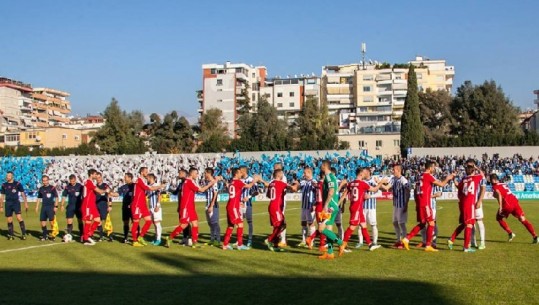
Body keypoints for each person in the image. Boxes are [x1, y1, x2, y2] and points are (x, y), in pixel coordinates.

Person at [402, 161, 454, 252]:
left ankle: (406, 239)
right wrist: (448, 178)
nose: (434, 169)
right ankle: (428, 245)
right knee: (431, 223)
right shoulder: (429, 176)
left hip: (419, 203)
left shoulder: (419, 176)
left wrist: (416, 202)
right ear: (430, 168)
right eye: (433, 167)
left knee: (422, 224)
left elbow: (415, 191)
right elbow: (441, 184)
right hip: (426, 204)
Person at [165, 167, 217, 248]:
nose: (197, 175)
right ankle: (170, 238)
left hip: (190, 207)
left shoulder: (188, 181)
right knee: (184, 225)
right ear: (191, 173)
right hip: (186, 207)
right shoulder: (188, 182)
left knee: (195, 223)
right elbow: (201, 190)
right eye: (196, 173)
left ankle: (194, 243)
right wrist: (211, 183)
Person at [340, 168, 386, 253]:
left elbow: (345, 194)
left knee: (364, 226)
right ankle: (343, 245)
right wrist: (381, 182)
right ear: (361, 174)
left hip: (356, 207)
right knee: (352, 227)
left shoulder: (351, 183)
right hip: (357, 208)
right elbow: (375, 189)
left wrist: (339, 203)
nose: (365, 175)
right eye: (364, 174)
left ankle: (370, 245)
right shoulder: (362, 184)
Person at [491, 173, 538, 244]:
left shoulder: (494, 186)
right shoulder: (503, 184)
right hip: (514, 202)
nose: (490, 182)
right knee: (522, 219)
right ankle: (535, 237)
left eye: (490, 180)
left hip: (507, 205)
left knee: (499, 218)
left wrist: (500, 206)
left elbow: (499, 195)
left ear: (494, 180)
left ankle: (510, 233)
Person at [448, 164, 483, 253]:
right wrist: (477, 167)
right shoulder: (475, 178)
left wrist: (453, 178)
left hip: (463, 204)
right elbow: (483, 175)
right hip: (470, 204)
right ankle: (466, 247)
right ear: (473, 171)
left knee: (464, 224)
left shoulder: (464, 179)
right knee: (470, 224)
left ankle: (451, 239)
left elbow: (457, 185)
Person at [222, 168, 259, 250]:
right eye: (239, 173)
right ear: (236, 174)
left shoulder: (231, 182)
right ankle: (239, 244)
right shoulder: (238, 182)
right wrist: (254, 181)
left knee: (231, 225)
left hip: (230, 205)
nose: (241, 174)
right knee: (240, 224)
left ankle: (225, 244)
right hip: (234, 207)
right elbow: (249, 186)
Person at [317, 160, 345, 260]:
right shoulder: (333, 177)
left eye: (321, 165)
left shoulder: (328, 177)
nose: (320, 167)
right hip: (334, 206)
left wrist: (326, 204)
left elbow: (331, 191)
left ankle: (341, 243)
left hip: (330, 207)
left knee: (321, 228)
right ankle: (330, 252)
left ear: (325, 166)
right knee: (328, 229)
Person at [131, 167, 163, 247]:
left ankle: (140, 237)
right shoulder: (139, 180)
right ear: (141, 172)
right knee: (136, 223)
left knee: (149, 221)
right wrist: (160, 186)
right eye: (146, 171)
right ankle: (134, 241)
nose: (147, 173)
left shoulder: (143, 181)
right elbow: (150, 188)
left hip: (143, 205)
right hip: (137, 204)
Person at [383, 164, 410, 249]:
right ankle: (398, 240)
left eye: (394, 170)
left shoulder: (403, 180)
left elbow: (408, 191)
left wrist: (406, 204)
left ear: (398, 170)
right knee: (395, 223)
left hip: (402, 205)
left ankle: (403, 241)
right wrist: (379, 183)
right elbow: (387, 187)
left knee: (401, 224)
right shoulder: (393, 179)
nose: (392, 171)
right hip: (395, 205)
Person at [264, 169, 292, 252]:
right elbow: (293, 188)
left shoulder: (271, 184)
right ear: (279, 175)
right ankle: (269, 240)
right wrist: (297, 184)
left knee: (280, 225)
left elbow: (268, 195)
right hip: (276, 207)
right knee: (280, 225)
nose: (283, 175)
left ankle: (275, 245)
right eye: (282, 174)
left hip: (272, 206)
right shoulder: (281, 183)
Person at [81, 169, 109, 246]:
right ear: (91, 174)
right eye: (95, 174)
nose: (96, 176)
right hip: (87, 205)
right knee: (88, 221)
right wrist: (106, 190)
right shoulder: (89, 182)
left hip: (92, 205)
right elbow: (99, 191)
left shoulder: (91, 182)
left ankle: (88, 234)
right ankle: (85, 239)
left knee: (97, 220)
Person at [0, 171, 28, 240]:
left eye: (9, 175)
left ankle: (23, 234)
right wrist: (1, 206)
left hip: (16, 203)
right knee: (9, 220)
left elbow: (22, 194)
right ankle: (11, 235)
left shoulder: (17, 184)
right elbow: (2, 196)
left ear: (12, 176)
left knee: (19, 218)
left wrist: (25, 203)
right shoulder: (4, 185)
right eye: (7, 175)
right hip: (8, 203)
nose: (7, 177)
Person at [466, 159, 487, 250]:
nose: (469, 168)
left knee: (479, 221)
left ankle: (482, 242)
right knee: (471, 223)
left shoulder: (479, 177)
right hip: (468, 204)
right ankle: (473, 241)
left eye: (471, 166)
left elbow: (483, 189)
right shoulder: (467, 177)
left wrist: (479, 201)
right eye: (468, 166)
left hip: (476, 202)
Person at [358, 171, 381, 248]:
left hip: (371, 208)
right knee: (360, 225)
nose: (363, 173)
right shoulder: (362, 182)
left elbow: (379, 193)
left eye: (364, 172)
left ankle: (374, 242)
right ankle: (360, 242)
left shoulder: (374, 181)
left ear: (368, 173)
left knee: (373, 225)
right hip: (362, 207)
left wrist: (370, 196)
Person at [305, 171, 327, 251]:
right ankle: (320, 244)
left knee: (322, 226)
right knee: (323, 227)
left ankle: (316, 241)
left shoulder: (318, 184)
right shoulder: (323, 185)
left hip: (318, 207)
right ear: (324, 176)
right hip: (322, 208)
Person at [297, 167, 317, 248]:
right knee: (303, 223)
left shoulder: (314, 181)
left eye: (305, 173)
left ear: (309, 173)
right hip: (303, 206)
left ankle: (312, 241)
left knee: (311, 224)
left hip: (310, 206)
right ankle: (303, 240)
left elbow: (317, 192)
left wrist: (315, 204)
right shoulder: (303, 182)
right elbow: (297, 186)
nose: (304, 174)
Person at [169, 169, 191, 245]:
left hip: (187, 206)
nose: (179, 174)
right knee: (183, 222)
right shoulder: (181, 183)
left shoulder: (188, 182)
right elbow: (176, 193)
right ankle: (185, 238)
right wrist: (170, 187)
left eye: (180, 173)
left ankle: (189, 239)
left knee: (186, 222)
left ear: (185, 174)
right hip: (182, 206)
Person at [35, 175, 59, 241]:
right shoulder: (41, 189)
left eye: (46, 180)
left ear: (48, 180)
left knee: (51, 222)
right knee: (42, 222)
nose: (45, 182)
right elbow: (39, 198)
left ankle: (53, 235)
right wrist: (37, 206)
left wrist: (56, 206)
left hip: (50, 207)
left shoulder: (52, 188)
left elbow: (56, 197)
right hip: (44, 207)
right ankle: (44, 236)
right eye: (43, 181)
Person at [60, 174, 83, 239]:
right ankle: (69, 234)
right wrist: (62, 205)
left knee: (80, 220)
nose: (72, 182)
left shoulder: (80, 186)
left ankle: (82, 234)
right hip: (70, 206)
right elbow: (64, 196)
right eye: (71, 181)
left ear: (75, 179)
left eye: (73, 181)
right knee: (69, 221)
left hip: (79, 206)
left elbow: (84, 195)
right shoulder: (67, 187)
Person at [95, 172, 116, 242]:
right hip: (96, 206)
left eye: (99, 177)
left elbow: (109, 195)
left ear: (101, 178)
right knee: (98, 221)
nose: (98, 179)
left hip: (104, 205)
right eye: (97, 178)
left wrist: (110, 205)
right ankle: (101, 236)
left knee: (107, 221)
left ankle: (110, 236)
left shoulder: (105, 186)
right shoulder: (94, 186)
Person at [240, 165, 258, 248]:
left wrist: (249, 197)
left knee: (249, 222)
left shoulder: (251, 180)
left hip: (248, 204)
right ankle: (239, 240)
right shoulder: (239, 180)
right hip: (239, 204)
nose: (239, 173)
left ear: (244, 171)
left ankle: (250, 239)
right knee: (239, 222)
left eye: (240, 171)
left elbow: (256, 192)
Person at [203, 168, 220, 247]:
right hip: (207, 205)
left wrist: (212, 205)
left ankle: (218, 240)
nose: (204, 174)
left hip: (213, 205)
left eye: (205, 173)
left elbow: (215, 193)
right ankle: (212, 239)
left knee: (215, 223)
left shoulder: (214, 182)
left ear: (208, 173)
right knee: (210, 223)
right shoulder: (207, 182)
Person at [117, 173, 135, 243]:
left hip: (133, 207)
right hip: (125, 207)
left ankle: (136, 237)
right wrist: (111, 193)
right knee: (125, 222)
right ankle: (126, 237)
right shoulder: (123, 187)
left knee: (135, 222)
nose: (124, 179)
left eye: (126, 177)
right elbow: (118, 194)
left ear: (130, 178)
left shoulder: (135, 186)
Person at [147, 173, 163, 246]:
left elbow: (159, 195)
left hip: (156, 207)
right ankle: (156, 238)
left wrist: (158, 205)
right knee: (154, 223)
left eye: (148, 178)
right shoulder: (149, 186)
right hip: (151, 207)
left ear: (151, 178)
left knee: (157, 223)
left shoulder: (156, 185)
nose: (147, 179)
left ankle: (159, 239)